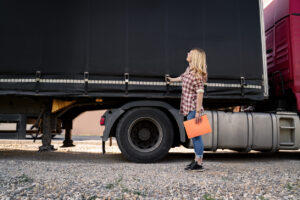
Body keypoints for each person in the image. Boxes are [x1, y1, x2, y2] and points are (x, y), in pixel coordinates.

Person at [167, 48, 207, 171]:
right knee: (194, 137)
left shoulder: (197, 74)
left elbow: (200, 93)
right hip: (188, 108)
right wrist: (172, 80)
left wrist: (198, 112)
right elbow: (182, 77)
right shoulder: (189, 70)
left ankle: (199, 163)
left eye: (189, 53)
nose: (187, 54)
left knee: (196, 137)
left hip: (194, 110)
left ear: (194, 57)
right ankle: (196, 160)